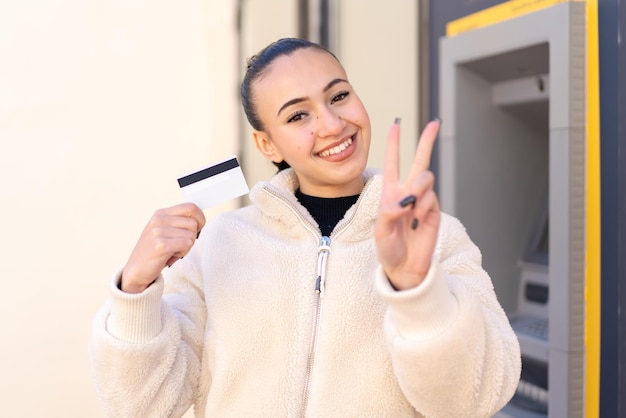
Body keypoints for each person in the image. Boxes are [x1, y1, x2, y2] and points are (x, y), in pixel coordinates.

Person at [90, 37, 521, 417]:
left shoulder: (438, 238)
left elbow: (475, 400)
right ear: (267, 143)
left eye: (339, 96)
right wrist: (134, 292)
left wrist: (416, 289)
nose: (333, 125)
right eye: (298, 116)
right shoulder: (219, 246)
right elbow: (141, 406)